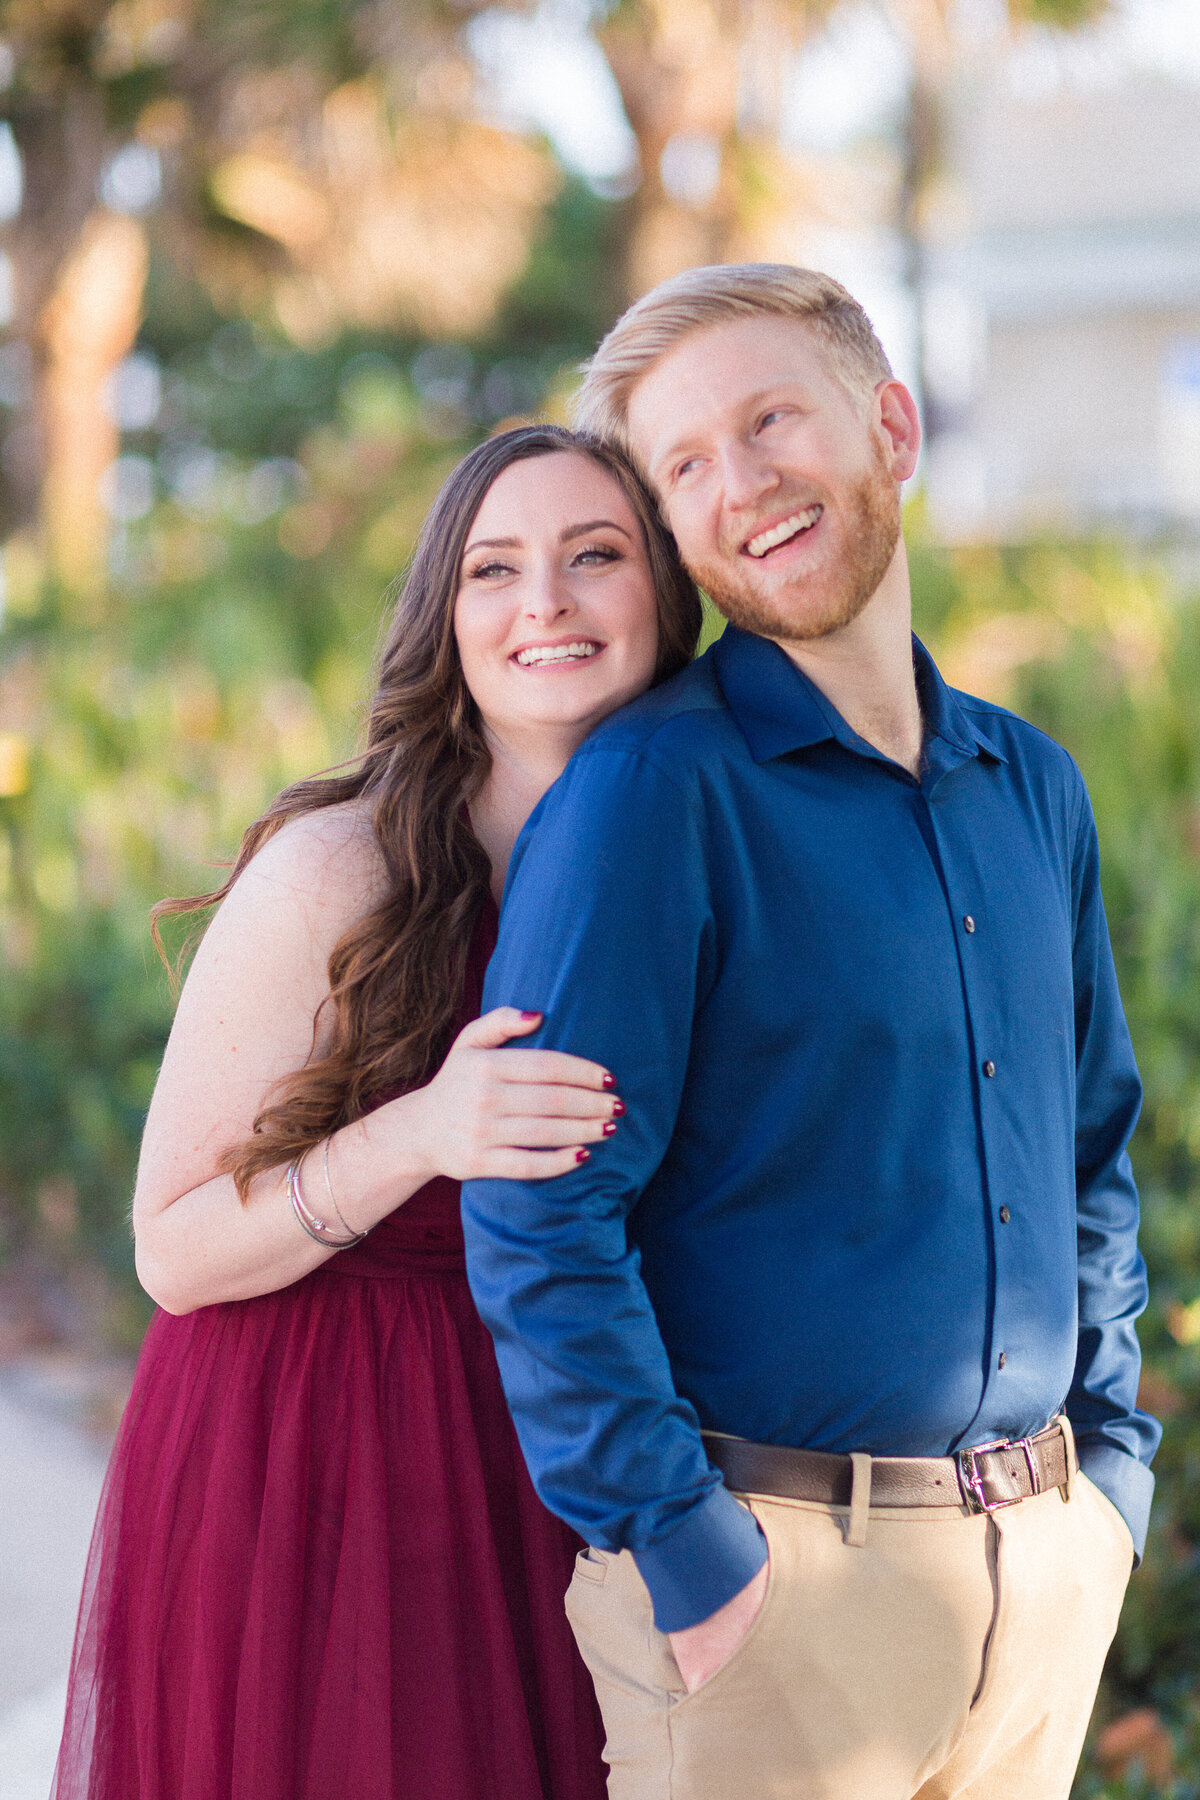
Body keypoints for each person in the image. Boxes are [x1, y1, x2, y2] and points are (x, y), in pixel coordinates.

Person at [461, 266, 1161, 1800]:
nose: (743, 484)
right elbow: (537, 1206)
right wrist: (687, 1553)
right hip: (772, 1604)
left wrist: (1108, 1482)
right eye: (687, 466)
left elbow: (1091, 1154)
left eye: (773, 419)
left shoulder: (1033, 785)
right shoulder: (653, 798)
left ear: (891, 428)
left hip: (1036, 1585)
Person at [51, 424, 702, 1800]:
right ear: (444, 618)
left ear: (667, 598)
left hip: (553, 1441)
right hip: (317, 1446)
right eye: (495, 568)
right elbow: (170, 1248)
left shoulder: (695, 867)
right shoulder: (338, 867)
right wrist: (418, 1133)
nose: (549, 604)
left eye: (598, 556)